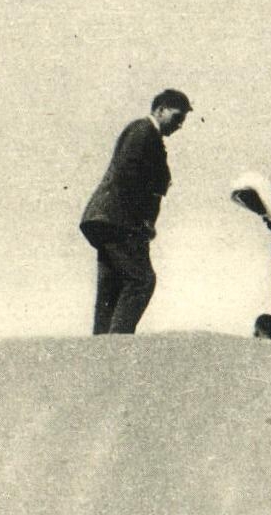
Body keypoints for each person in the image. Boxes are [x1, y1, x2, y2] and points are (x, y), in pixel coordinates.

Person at [80, 89, 194, 334]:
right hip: (119, 220)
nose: (179, 125)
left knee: (112, 287)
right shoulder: (143, 131)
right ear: (160, 110)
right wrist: (142, 220)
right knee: (141, 280)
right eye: (177, 117)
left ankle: (102, 349)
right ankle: (118, 345)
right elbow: (128, 173)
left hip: (107, 220)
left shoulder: (146, 134)